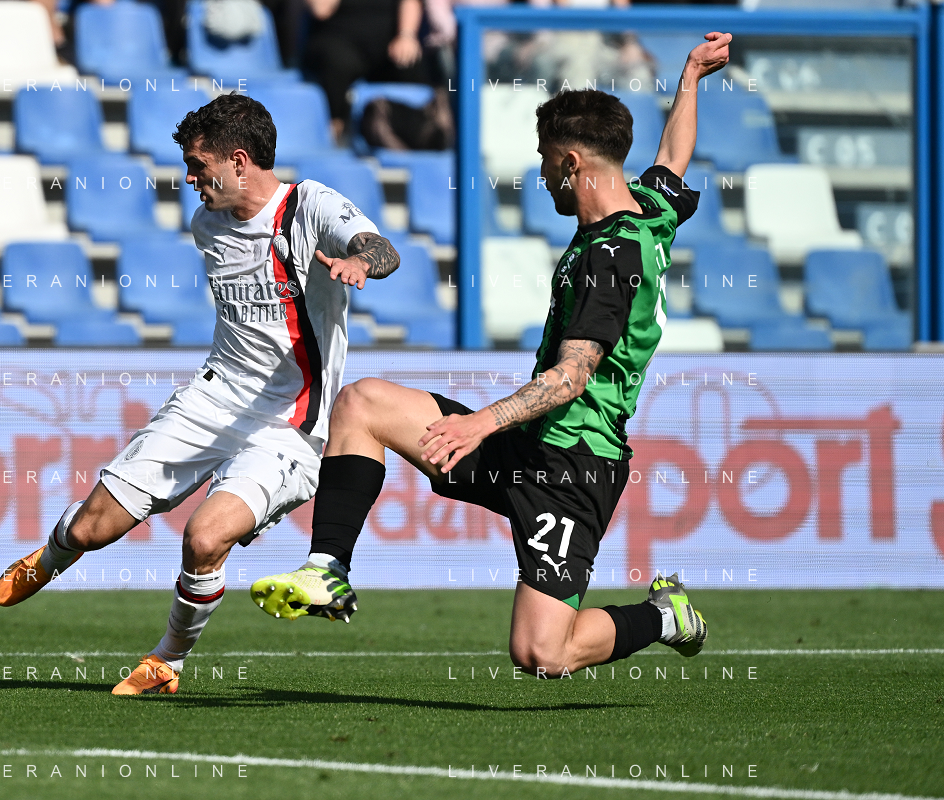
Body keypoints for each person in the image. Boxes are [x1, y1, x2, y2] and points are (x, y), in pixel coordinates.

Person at [251, 33, 734, 677]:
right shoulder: (649, 210)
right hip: (526, 441)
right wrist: (691, 77)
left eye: (546, 161)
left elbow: (572, 376)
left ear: (571, 163)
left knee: (542, 653)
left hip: (574, 464)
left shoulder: (608, 258)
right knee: (362, 404)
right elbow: (672, 158)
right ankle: (327, 570)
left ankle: (663, 616)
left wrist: (479, 423)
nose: (543, 175)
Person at [0, 93, 401, 696]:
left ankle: (168, 660)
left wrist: (360, 263)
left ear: (239, 161)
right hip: (209, 401)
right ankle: (51, 557)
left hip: (289, 426)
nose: (189, 179)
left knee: (205, 539)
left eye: (197, 165)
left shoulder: (309, 205)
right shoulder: (207, 225)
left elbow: (383, 248)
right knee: (90, 530)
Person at [302, 0, 432, 143]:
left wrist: (406, 35)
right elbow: (320, 10)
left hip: (387, 43)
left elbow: (410, 2)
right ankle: (335, 135)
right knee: (336, 65)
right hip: (337, 38)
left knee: (409, 62)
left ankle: (410, 138)